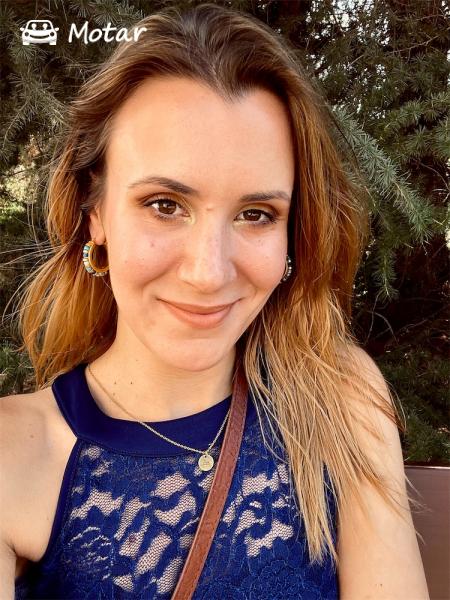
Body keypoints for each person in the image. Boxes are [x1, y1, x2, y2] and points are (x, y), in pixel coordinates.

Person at [0, 3, 429, 599]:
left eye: (256, 214)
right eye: (164, 205)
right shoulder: (13, 456)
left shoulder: (339, 399)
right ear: (94, 213)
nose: (208, 273)